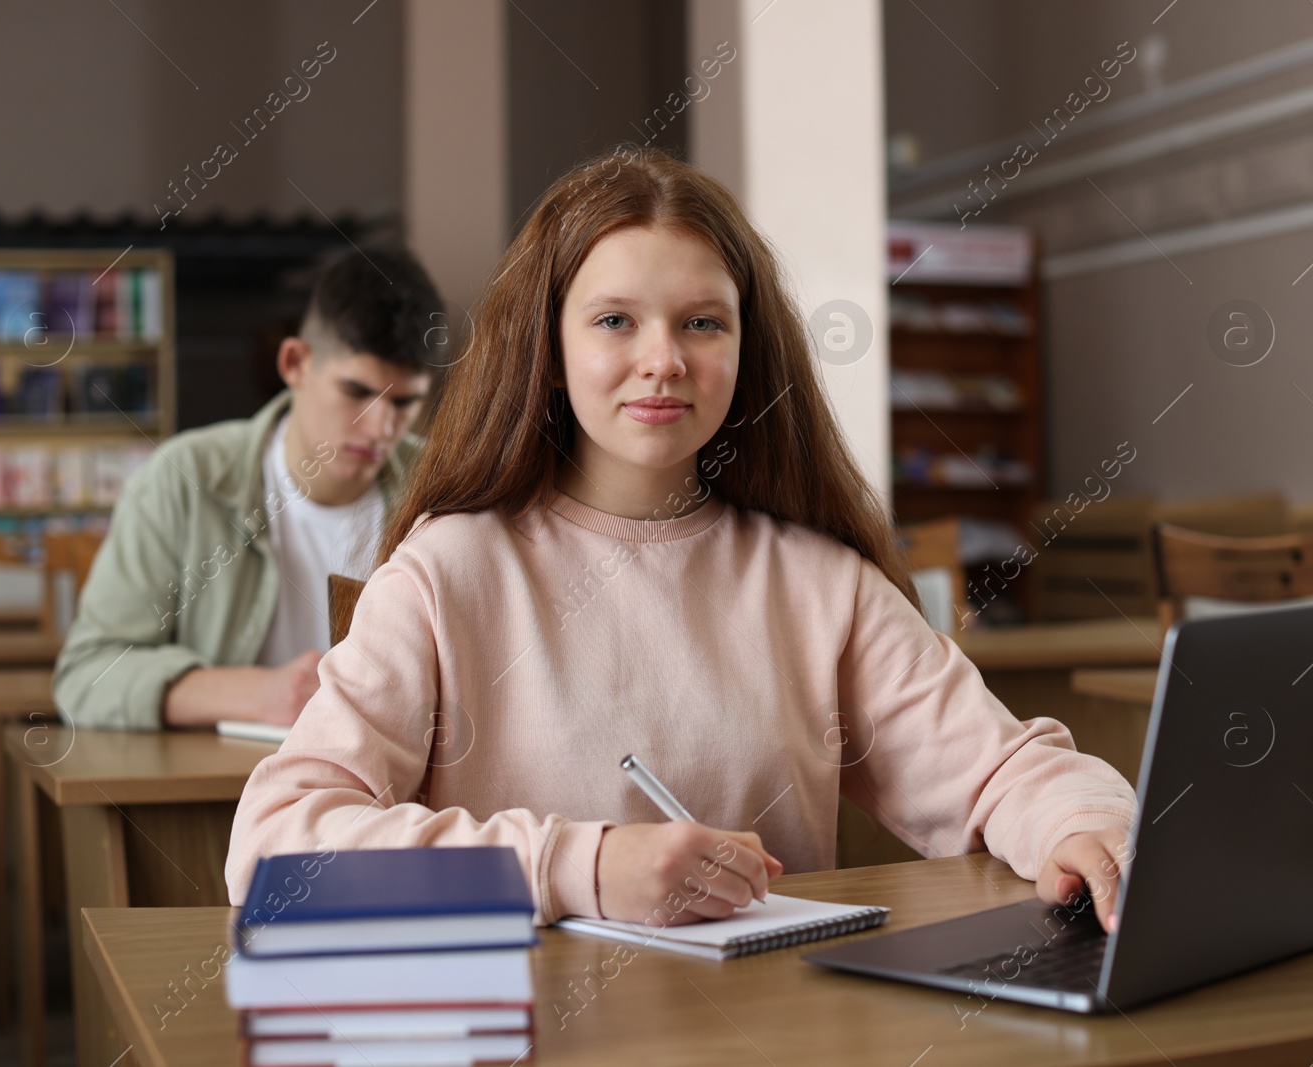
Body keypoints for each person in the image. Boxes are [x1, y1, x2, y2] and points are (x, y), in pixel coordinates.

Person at [224, 147, 1138, 931]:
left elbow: (998, 767)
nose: (663, 358)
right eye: (615, 320)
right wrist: (579, 869)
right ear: (548, 348)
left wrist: (1079, 821)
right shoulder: (446, 570)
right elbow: (275, 849)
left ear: (745, 353)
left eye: (704, 323)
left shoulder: (818, 580)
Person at [53, 246, 445, 731]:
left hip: (388, 796)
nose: (381, 428)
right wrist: (252, 694)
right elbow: (86, 675)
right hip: (219, 796)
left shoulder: (444, 489)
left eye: (405, 403)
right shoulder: (180, 480)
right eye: (357, 393)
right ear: (295, 363)